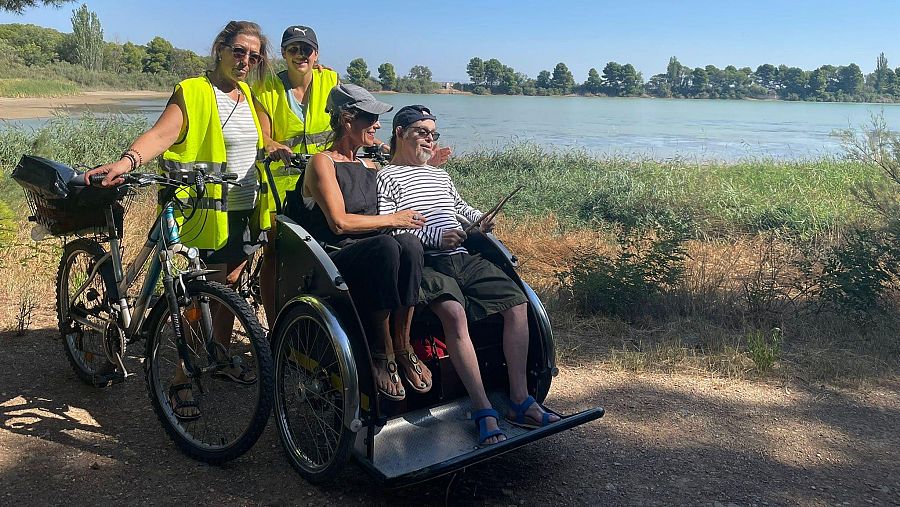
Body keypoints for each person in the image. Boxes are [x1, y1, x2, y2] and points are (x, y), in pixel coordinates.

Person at [86, 20, 274, 419]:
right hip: (196, 212)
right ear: (220, 49)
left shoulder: (249, 97)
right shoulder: (193, 91)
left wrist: (278, 147)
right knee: (190, 295)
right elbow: (162, 134)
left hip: (240, 210)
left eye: (253, 56)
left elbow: (255, 142)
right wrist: (128, 160)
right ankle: (180, 378)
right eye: (239, 51)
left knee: (229, 287)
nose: (245, 61)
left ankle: (218, 354)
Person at [376, 105, 561, 445]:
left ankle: (519, 399)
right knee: (454, 313)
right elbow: (390, 228)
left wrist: (480, 221)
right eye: (421, 132)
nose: (429, 139)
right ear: (400, 132)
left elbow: (459, 209)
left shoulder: (440, 176)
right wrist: (434, 237)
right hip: (427, 263)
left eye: (433, 134)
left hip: (463, 255)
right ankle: (482, 408)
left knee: (517, 302)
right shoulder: (385, 177)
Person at [288, 83, 433, 400]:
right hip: (336, 258)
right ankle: (380, 354)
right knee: (387, 245)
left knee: (408, 244)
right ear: (346, 120)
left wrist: (429, 168)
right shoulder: (322, 163)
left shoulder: (372, 165)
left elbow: (401, 187)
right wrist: (392, 220)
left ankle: (403, 345)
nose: (377, 125)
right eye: (370, 118)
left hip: (379, 253)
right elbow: (339, 223)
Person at [253, 25, 338, 323]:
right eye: (292, 49)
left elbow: (349, 119)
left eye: (306, 49)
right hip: (279, 184)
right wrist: (272, 143)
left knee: (322, 253)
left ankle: (313, 321)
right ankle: (275, 324)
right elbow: (263, 135)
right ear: (284, 54)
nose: (300, 55)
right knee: (275, 253)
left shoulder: (332, 80)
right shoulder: (267, 89)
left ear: (316, 54)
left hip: (321, 182)